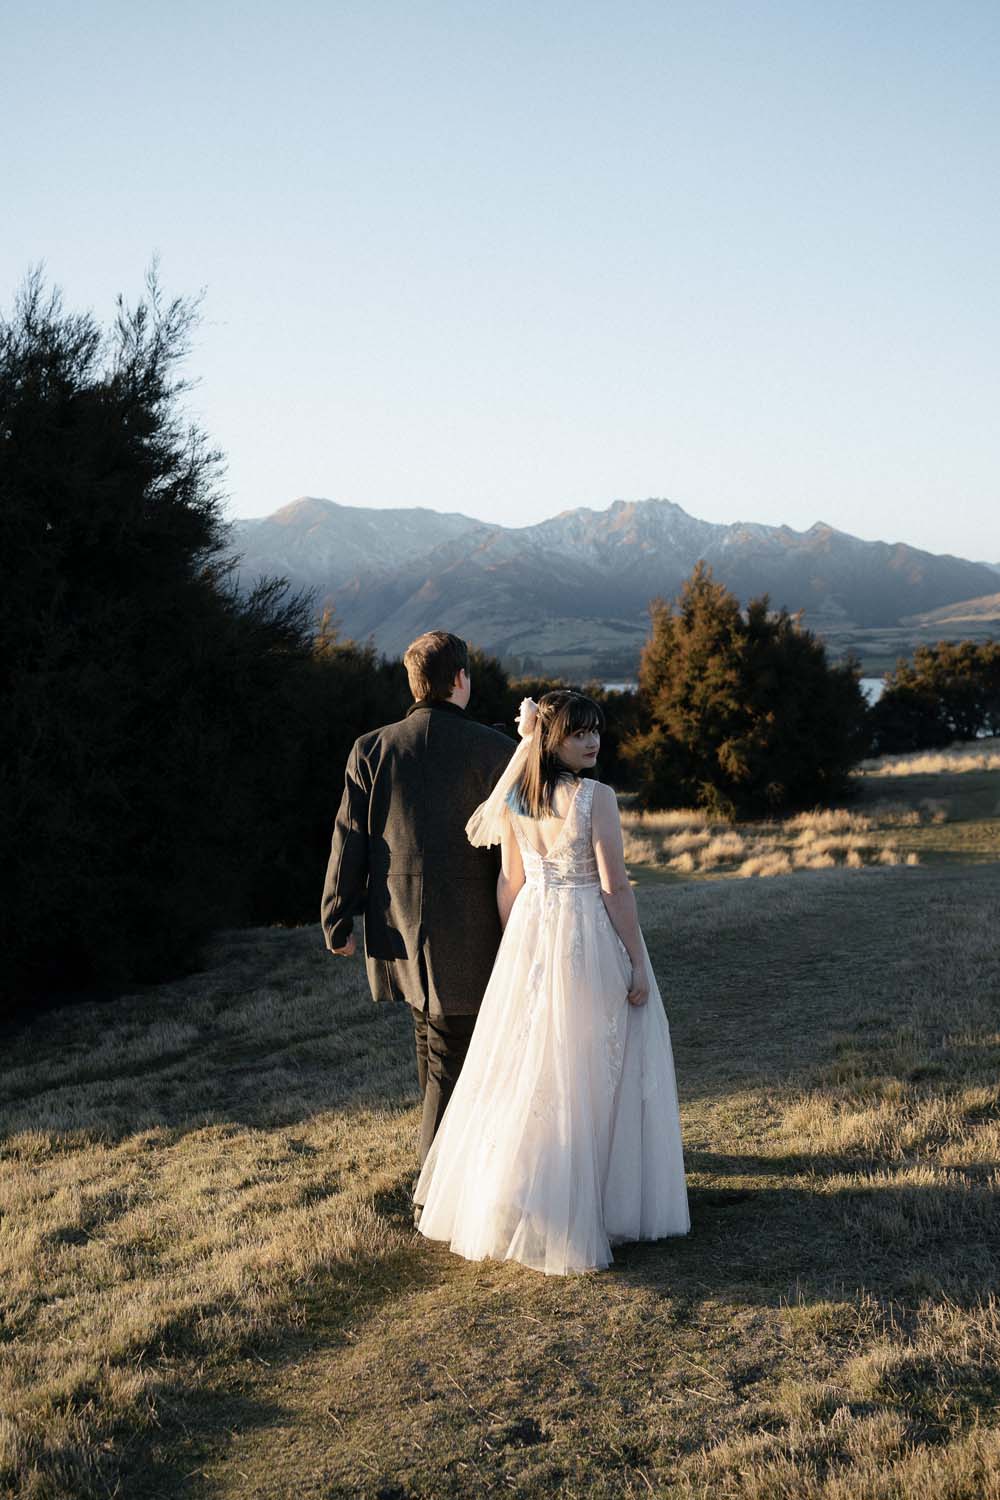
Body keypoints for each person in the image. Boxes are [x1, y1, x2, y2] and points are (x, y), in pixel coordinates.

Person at [414, 690, 689, 1275]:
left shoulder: (516, 797)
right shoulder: (596, 799)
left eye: (596, 731)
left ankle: (527, 1198)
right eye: (577, 733)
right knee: (590, 1062)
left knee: (534, 1068)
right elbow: (615, 888)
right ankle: (588, 1204)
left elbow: (510, 884)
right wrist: (637, 961)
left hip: (535, 933)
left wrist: (520, 948)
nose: (592, 742)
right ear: (551, 738)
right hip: (584, 933)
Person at [321, 631, 513, 1169]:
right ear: (460, 680)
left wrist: (336, 916)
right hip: (471, 928)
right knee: (451, 1058)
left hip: (398, 926)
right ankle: (435, 1190)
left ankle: (459, 1165)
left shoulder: (372, 748)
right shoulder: (496, 751)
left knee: (431, 1046)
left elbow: (349, 839)